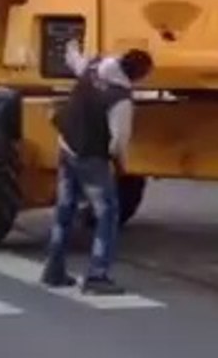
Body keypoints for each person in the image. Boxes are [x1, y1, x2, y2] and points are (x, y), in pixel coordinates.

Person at [40, 39, 154, 295]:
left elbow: (75, 62)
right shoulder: (121, 100)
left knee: (64, 208)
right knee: (108, 212)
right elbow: (118, 143)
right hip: (90, 156)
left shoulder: (94, 67)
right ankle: (97, 275)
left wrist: (71, 48)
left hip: (66, 144)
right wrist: (120, 165)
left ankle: (53, 269)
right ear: (139, 76)